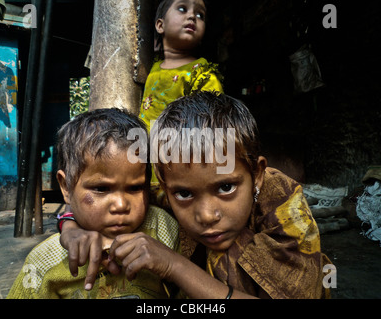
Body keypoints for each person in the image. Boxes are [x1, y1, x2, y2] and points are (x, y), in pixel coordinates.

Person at [60, 92, 332, 299]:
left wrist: (173, 265)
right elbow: (118, 200)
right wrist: (70, 226)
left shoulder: (281, 199)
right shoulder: (167, 196)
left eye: (226, 188)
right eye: (185, 193)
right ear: (166, 186)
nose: (206, 215)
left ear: (257, 174)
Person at [7, 108, 179, 299]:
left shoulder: (163, 229)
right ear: (65, 187)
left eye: (135, 188)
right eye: (101, 189)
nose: (121, 205)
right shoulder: (45, 262)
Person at [139, 0, 223, 133]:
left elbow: (211, 124)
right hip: (142, 145)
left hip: (177, 149)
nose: (192, 16)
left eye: (200, 15)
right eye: (182, 9)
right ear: (160, 25)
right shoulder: (153, 67)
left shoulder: (202, 74)